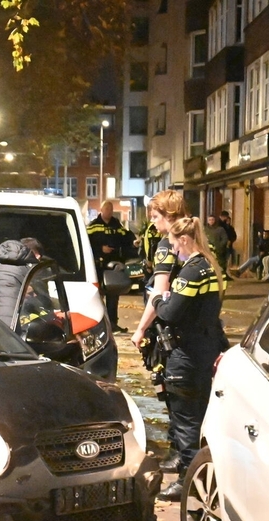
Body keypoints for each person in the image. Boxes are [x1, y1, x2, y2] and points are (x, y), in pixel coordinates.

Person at [149, 217, 229, 501]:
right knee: (201, 414)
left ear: (184, 240)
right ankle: (203, 474)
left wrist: (158, 298)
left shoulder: (191, 272)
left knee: (186, 421)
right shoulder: (212, 267)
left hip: (186, 354)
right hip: (207, 348)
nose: (174, 252)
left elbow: (170, 313)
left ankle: (188, 481)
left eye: (174, 245)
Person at [131, 189, 187, 473]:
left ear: (170, 215)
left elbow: (160, 291)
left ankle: (179, 453)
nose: (152, 222)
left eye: (155, 216)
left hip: (170, 330)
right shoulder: (195, 242)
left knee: (170, 389)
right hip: (194, 329)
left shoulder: (167, 245)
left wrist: (140, 329)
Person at [87, 201, 136, 333]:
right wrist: (100, 249)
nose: (110, 211)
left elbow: (126, 236)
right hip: (98, 266)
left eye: (111, 209)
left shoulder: (116, 225)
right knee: (97, 295)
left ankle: (113, 324)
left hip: (113, 265)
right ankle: (98, 324)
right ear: (101, 210)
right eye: (107, 209)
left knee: (113, 295)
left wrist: (134, 241)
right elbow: (86, 244)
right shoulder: (93, 226)